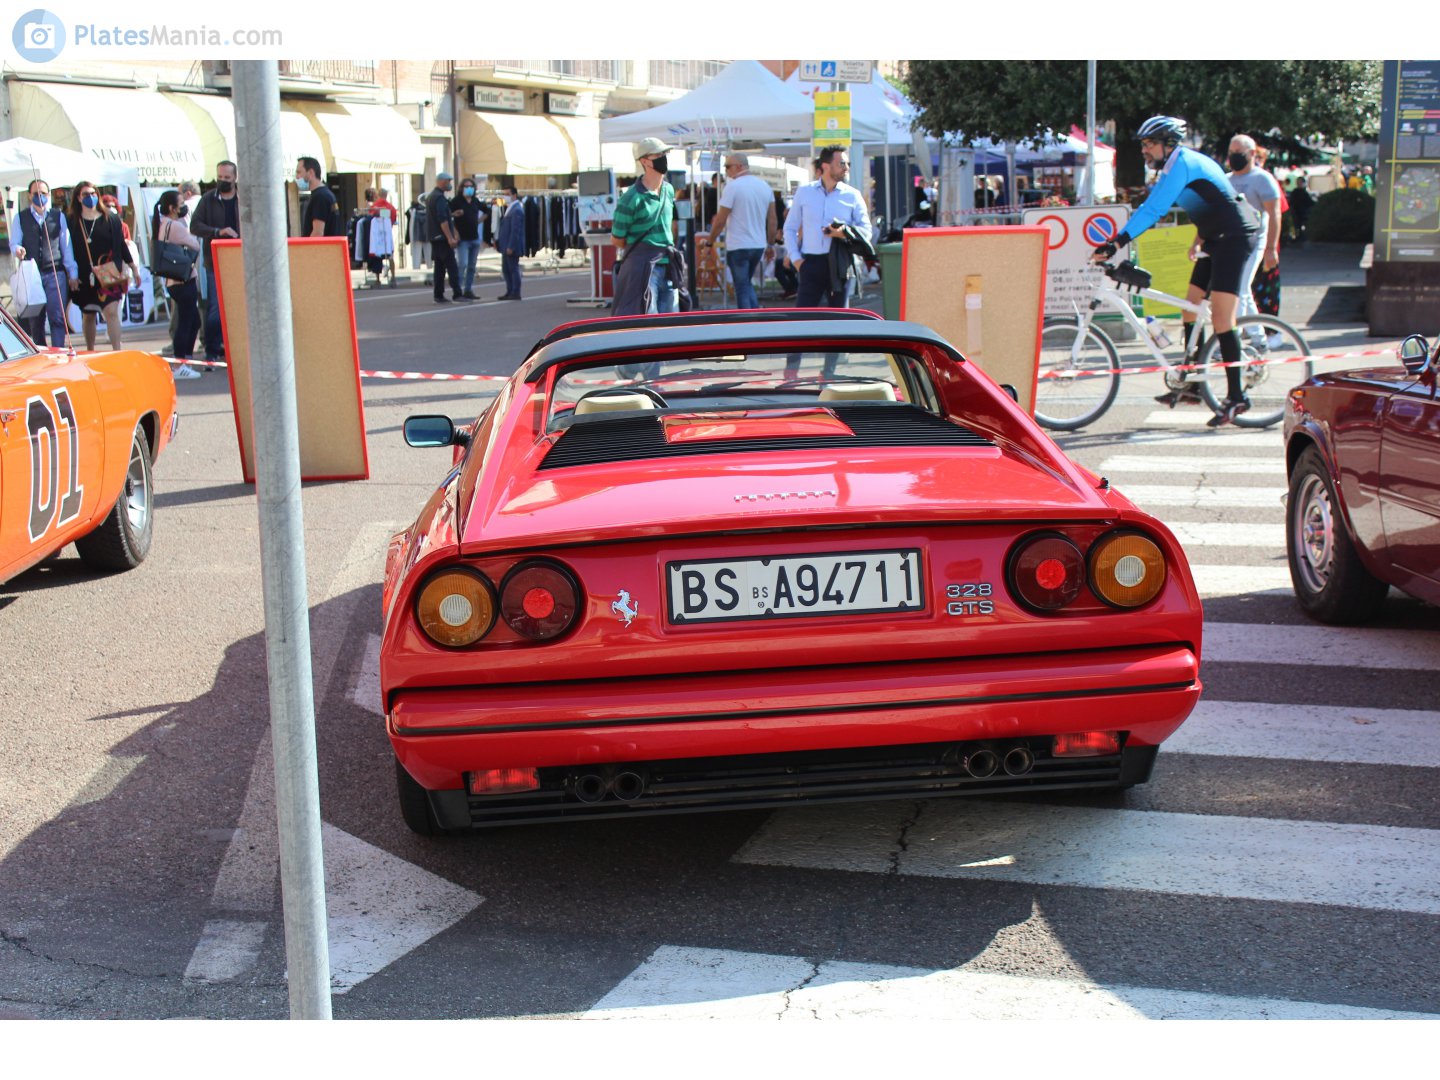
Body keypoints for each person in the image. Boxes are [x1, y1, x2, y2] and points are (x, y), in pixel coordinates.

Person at [1092, 116, 1260, 428]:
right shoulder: (1172, 167)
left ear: (1168, 144)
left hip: (1235, 238)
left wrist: (1116, 243)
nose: (1144, 150)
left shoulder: (1183, 163)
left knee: (1223, 318)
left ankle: (1237, 396)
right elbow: (1204, 206)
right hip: (1215, 238)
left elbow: (1154, 210)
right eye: (1142, 144)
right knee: (1191, 309)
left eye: (1149, 144)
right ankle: (1194, 385)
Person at [783, 145, 872, 309]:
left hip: (840, 263)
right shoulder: (805, 192)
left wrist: (843, 233)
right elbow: (789, 228)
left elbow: (866, 231)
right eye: (842, 164)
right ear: (825, 166)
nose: (846, 168)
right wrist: (796, 259)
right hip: (810, 262)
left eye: (847, 164)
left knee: (839, 320)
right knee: (802, 319)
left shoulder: (852, 195)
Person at [612, 137, 681, 316]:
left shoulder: (668, 190)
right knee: (648, 324)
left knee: (672, 325)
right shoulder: (630, 198)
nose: (663, 158)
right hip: (644, 269)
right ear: (644, 161)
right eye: (658, 155)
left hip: (668, 265)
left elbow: (671, 224)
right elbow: (617, 238)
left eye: (664, 154)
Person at [698, 153, 776, 309]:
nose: (725, 170)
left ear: (740, 166)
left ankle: (747, 322)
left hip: (738, 245)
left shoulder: (732, 187)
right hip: (757, 245)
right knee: (745, 284)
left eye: (728, 166)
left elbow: (720, 220)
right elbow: (773, 220)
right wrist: (770, 244)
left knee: (742, 287)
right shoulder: (765, 186)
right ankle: (756, 316)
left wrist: (709, 243)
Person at [68, 179, 136, 352]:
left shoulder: (110, 218)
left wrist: (133, 268)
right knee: (88, 315)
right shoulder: (72, 221)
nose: (90, 197)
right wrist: (71, 274)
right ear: (78, 198)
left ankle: (117, 351)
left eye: (93, 194)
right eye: (86, 194)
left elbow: (121, 244)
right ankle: (90, 350)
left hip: (109, 273)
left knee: (112, 312)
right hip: (85, 275)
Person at [10, 179, 78, 347]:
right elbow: (15, 242)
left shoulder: (58, 216)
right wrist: (18, 250)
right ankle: (41, 354)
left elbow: (66, 246)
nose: (40, 197)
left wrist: (73, 272)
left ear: (49, 195)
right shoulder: (21, 217)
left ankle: (58, 352)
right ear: (29, 195)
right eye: (36, 193)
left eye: (44, 193)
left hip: (55, 272)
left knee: (57, 318)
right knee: (36, 321)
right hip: (32, 275)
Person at [1225, 134, 1281, 325]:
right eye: (1231, 152)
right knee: (1242, 289)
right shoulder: (1225, 180)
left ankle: (1235, 339)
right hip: (1231, 243)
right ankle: (1259, 339)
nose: (1233, 156)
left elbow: (1274, 214)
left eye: (1238, 152)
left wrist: (1271, 249)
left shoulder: (1262, 179)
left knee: (1238, 289)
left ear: (1251, 153)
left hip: (1254, 243)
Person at [189, 160, 240, 367]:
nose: (223, 181)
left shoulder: (243, 198)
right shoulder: (209, 199)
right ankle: (212, 350)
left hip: (241, 259)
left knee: (239, 307)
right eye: (220, 178)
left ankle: (235, 349)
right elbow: (195, 226)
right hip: (215, 261)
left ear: (235, 178)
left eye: (227, 178)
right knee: (215, 308)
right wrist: (217, 232)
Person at [154, 189, 204, 379]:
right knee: (186, 321)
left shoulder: (164, 224)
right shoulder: (174, 226)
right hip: (182, 279)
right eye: (181, 204)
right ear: (172, 208)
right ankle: (180, 363)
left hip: (174, 280)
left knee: (193, 321)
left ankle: (186, 361)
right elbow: (195, 244)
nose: (184, 207)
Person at [1249, 145, 1287, 319]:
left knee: (1266, 289)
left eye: (1260, 158)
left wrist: (1271, 248)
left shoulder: (1266, 181)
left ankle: (1270, 329)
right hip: (1246, 246)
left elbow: (1278, 213)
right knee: (1249, 290)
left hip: (1266, 245)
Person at [424, 172, 464, 304]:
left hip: (435, 237)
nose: (450, 184)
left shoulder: (431, 196)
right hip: (442, 238)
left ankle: (438, 294)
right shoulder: (439, 198)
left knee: (439, 267)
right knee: (451, 266)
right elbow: (442, 220)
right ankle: (457, 293)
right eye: (448, 181)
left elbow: (439, 216)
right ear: (441, 182)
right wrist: (450, 238)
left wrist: (451, 214)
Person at [452, 179, 485, 299]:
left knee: (472, 266)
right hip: (462, 239)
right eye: (466, 186)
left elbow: (487, 211)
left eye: (471, 186)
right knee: (462, 264)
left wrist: (478, 221)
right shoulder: (456, 201)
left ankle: (468, 289)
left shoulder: (475, 201)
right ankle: (458, 290)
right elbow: (448, 216)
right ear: (461, 188)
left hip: (474, 237)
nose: (469, 188)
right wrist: (455, 232)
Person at [296, 157, 340, 238]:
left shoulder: (320, 197)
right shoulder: (327, 194)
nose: (297, 177)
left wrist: (307, 250)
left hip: (321, 250)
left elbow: (317, 233)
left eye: (299, 172)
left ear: (311, 173)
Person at [497, 185, 526, 300]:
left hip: (511, 245)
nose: (506, 197)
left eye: (508, 194)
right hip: (505, 244)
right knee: (506, 269)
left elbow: (516, 230)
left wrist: (511, 246)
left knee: (513, 269)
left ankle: (515, 291)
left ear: (514, 195)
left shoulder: (517, 209)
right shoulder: (509, 208)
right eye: (504, 194)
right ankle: (509, 290)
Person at [1289, 176, 1315, 243]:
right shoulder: (1296, 192)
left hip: (1302, 211)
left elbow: (1309, 202)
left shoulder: (1303, 192)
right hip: (1297, 211)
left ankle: (1302, 236)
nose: (1298, 183)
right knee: (1298, 225)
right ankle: (1300, 236)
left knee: (1301, 225)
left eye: (1299, 182)